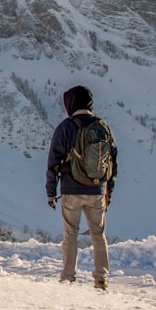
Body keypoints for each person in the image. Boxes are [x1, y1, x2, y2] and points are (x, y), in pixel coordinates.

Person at [45, 84, 118, 290]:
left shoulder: (65, 127)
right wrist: (107, 192)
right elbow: (112, 162)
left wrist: (51, 192)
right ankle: (101, 278)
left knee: (71, 234)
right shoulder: (102, 126)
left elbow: (53, 162)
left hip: (71, 190)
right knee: (98, 234)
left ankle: (68, 277)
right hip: (97, 190)